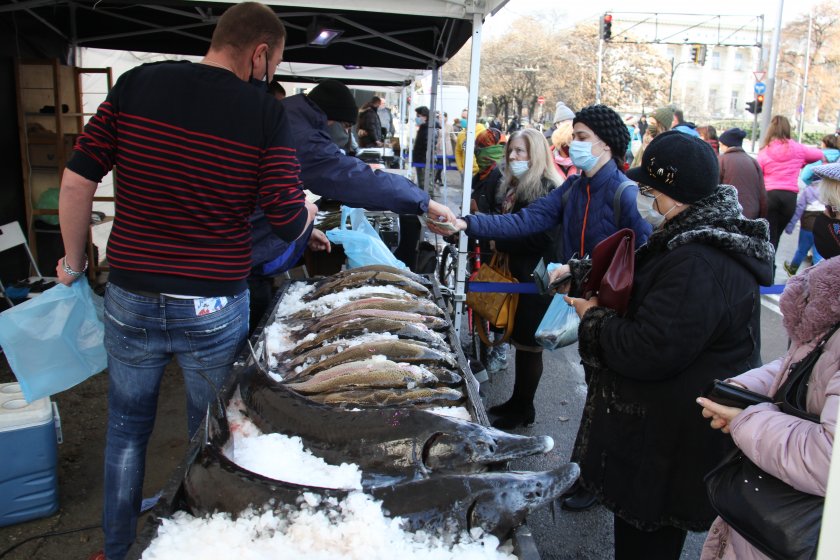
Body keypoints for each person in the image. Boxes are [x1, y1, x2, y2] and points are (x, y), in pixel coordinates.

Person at [55, 4, 318, 560]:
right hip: (212, 303)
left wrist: (73, 264)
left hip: (130, 296)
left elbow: (78, 181)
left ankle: (118, 546)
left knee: (126, 430)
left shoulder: (136, 84)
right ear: (260, 54)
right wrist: (310, 217)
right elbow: (286, 218)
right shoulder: (265, 114)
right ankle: (192, 544)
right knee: (210, 436)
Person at [558, 131, 774, 560]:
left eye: (650, 191)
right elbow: (652, 293)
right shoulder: (693, 235)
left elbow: (649, 348)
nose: (647, 200)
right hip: (666, 429)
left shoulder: (699, 258)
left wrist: (593, 318)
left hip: (666, 440)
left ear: (674, 193)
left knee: (647, 544)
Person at [428, 104, 652, 432]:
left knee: (610, 384)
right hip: (581, 301)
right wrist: (465, 223)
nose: (572, 143)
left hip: (613, 310)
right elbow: (527, 219)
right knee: (593, 376)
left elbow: (645, 256)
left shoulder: (625, 193)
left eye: (581, 136)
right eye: (574, 135)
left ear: (605, 144)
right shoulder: (574, 188)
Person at [697, 165, 840, 557]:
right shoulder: (830, 299)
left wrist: (745, 419)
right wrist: (745, 389)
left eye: (834, 214)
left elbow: (829, 458)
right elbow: (810, 363)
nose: (825, 224)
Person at [247, 80, 456, 328]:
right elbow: (352, 179)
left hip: (251, 250)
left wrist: (303, 233)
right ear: (331, 120)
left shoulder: (291, 115)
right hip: (245, 258)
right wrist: (424, 202)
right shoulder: (300, 132)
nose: (346, 134)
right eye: (346, 126)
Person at [757, 115, 825, 250]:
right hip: (789, 198)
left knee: (769, 236)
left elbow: (759, 173)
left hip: (770, 195)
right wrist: (802, 161)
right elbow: (819, 155)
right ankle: (771, 262)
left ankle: (768, 266)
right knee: (777, 236)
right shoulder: (798, 148)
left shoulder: (764, 151)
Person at [718, 127, 767, 219]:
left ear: (727, 144)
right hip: (752, 213)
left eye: (720, 144)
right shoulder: (753, 162)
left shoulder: (721, 160)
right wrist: (762, 216)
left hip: (729, 213)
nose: (720, 147)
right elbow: (762, 192)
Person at [413, 106, 438, 193]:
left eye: (418, 115)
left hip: (424, 161)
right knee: (422, 184)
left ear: (425, 116)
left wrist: (425, 159)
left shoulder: (429, 128)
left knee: (425, 185)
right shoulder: (423, 128)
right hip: (421, 160)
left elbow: (429, 145)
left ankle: (428, 204)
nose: (417, 118)